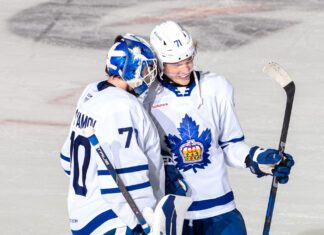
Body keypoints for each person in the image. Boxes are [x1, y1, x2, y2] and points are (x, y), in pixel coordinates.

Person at [144, 21, 295, 235]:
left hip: (221, 210)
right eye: (176, 64)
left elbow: (230, 145)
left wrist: (259, 159)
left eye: (188, 60)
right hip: (174, 217)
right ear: (159, 62)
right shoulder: (147, 98)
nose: (185, 68)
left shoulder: (216, 87)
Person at [60, 33, 164, 235]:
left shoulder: (92, 92)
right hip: (114, 220)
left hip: (82, 214)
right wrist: (145, 219)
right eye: (146, 68)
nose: (149, 75)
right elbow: (126, 174)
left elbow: (67, 161)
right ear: (131, 67)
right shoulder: (123, 107)